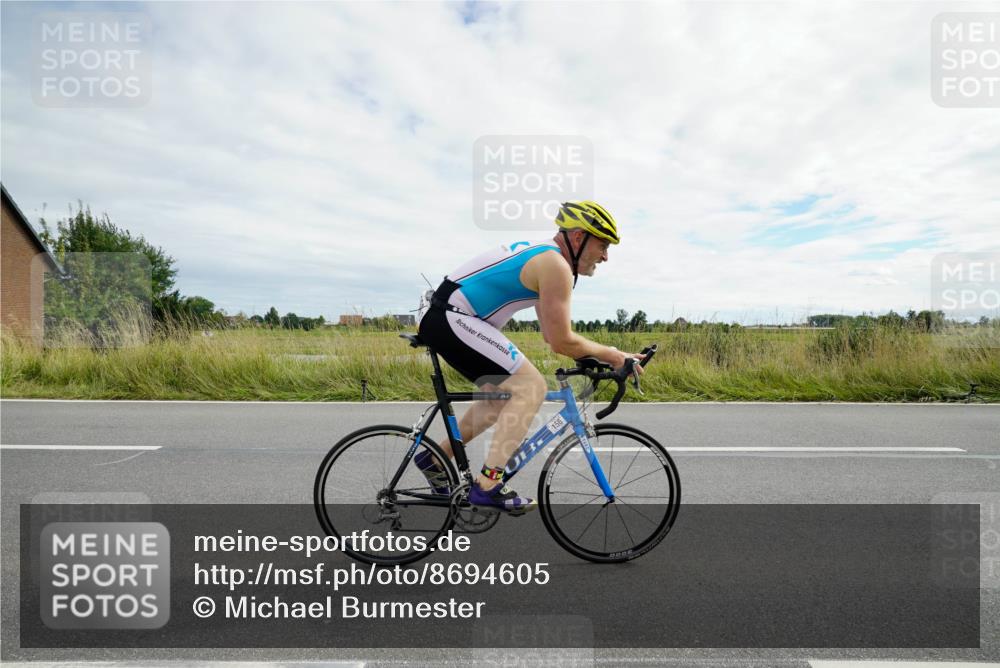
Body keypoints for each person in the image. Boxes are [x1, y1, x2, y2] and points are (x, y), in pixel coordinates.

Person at [414, 201, 645, 514]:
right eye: (603, 245)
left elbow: (553, 337)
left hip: (447, 315)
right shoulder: (555, 265)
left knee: (500, 395)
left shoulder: (548, 258)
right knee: (531, 387)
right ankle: (489, 485)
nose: (605, 256)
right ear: (578, 238)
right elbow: (563, 341)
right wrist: (614, 356)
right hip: (450, 316)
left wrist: (602, 356)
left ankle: (435, 460)